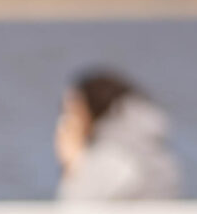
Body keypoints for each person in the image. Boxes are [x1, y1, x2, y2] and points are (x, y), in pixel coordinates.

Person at [54, 66, 182, 202]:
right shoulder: (150, 148)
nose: (65, 122)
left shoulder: (113, 155)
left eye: (71, 112)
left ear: (89, 111)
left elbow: (74, 208)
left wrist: (73, 163)